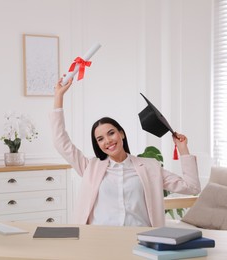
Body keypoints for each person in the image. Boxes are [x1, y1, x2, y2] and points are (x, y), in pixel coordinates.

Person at [50, 77, 201, 227]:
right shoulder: (90, 167)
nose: (107, 141)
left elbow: (192, 187)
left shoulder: (150, 167)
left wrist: (183, 149)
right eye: (100, 139)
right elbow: (60, 141)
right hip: (100, 240)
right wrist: (59, 97)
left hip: (139, 239)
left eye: (111, 133)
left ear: (121, 134)